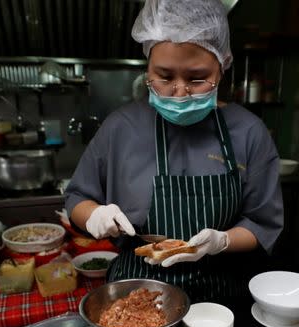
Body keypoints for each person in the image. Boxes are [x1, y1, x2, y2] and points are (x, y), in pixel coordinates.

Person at [65, 0, 283, 301]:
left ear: (222, 68)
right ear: (147, 68)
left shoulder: (249, 132)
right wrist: (95, 214)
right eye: (164, 77)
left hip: (217, 299)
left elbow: (261, 224)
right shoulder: (121, 127)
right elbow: (76, 197)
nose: (179, 92)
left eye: (197, 78)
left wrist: (221, 241)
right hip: (133, 292)